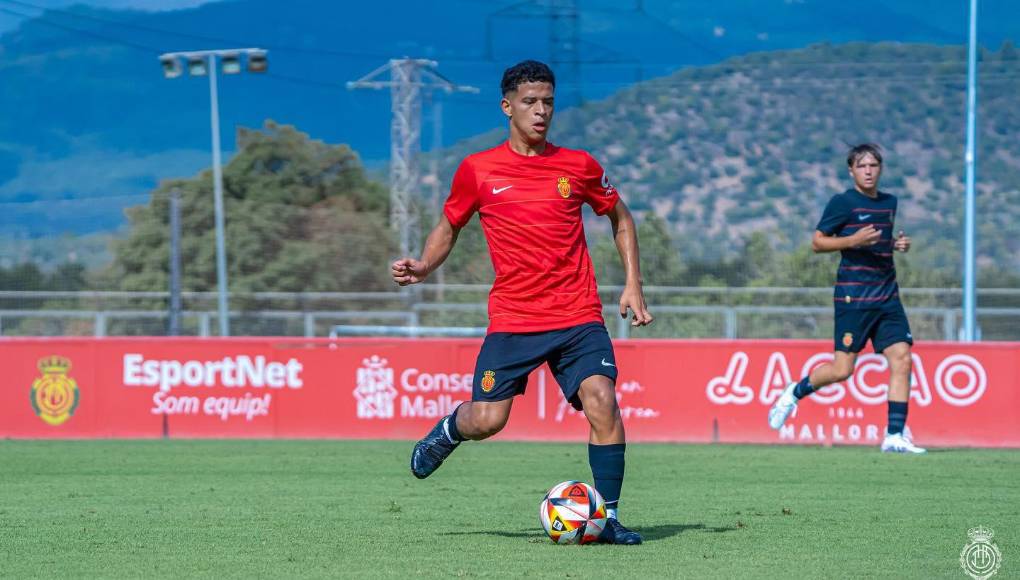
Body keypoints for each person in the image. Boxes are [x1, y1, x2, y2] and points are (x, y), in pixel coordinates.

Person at [391, 60, 653, 543]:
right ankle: (450, 428)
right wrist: (425, 266)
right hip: (515, 319)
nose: (541, 111)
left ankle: (609, 518)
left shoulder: (578, 166)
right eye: (530, 102)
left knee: (603, 402)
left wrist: (633, 282)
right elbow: (450, 226)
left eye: (548, 102)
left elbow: (621, 218)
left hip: (577, 315)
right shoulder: (479, 170)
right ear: (507, 106)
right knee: (488, 419)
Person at [768, 143, 925, 454]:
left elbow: (877, 244)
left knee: (902, 358)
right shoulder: (843, 203)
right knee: (842, 370)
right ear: (851, 170)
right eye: (862, 166)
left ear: (880, 169)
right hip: (854, 297)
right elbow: (817, 242)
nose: (868, 171)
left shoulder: (889, 202)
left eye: (873, 166)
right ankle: (793, 393)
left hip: (887, 296)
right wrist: (852, 240)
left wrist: (896, 245)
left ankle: (894, 435)